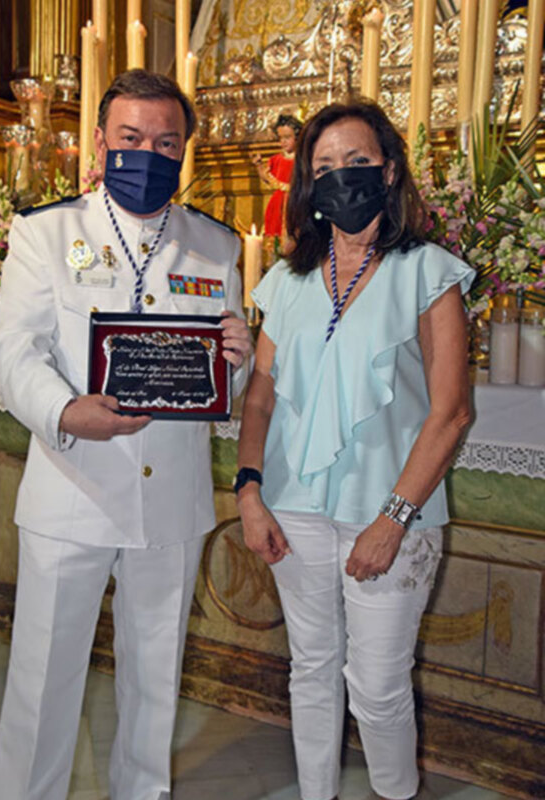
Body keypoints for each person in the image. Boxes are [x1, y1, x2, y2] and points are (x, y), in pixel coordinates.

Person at [0, 69, 251, 800]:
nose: (148, 154)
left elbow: (219, 384)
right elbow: (14, 350)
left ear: (184, 149)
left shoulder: (214, 246)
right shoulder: (48, 233)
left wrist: (239, 360)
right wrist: (65, 412)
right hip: (71, 490)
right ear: (101, 142)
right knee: (42, 684)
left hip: (169, 500)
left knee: (155, 683)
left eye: (166, 142)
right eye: (131, 137)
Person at [235, 100, 474, 800]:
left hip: (388, 512)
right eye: (325, 166)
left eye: (357, 161)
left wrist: (392, 519)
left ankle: (394, 793)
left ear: (389, 169)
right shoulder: (288, 281)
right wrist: (248, 491)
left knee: (377, 684)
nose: (342, 176)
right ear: (308, 184)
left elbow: (451, 412)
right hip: (292, 506)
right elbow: (260, 398)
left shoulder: (428, 272)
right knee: (310, 668)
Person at [251, 113, 302, 250]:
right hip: (277, 204)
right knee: (275, 240)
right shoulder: (276, 160)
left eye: (287, 137)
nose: (283, 142)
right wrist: (259, 165)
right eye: (280, 138)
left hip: (296, 202)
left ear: (297, 137)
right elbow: (267, 178)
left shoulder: (302, 160)